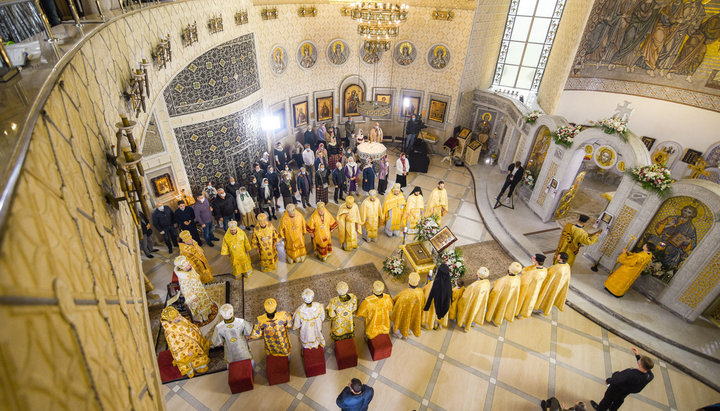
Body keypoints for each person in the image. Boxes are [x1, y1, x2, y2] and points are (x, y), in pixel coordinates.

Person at [161, 306, 210, 379]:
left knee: (199, 353)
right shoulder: (170, 333)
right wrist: (187, 352)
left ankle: (200, 366)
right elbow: (177, 346)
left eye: (178, 314)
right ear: (172, 321)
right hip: (188, 349)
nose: (180, 315)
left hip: (194, 342)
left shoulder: (179, 319)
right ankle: (195, 369)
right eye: (177, 316)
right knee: (192, 359)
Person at [173, 256, 215, 323]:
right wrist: (193, 297)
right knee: (199, 307)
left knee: (204, 302)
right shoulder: (183, 278)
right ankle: (203, 318)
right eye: (188, 265)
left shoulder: (189, 268)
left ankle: (207, 313)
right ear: (183, 268)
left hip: (199, 289)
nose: (190, 265)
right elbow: (185, 290)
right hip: (195, 295)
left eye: (189, 264)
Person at [486, 262, 523, 326]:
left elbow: (496, 290)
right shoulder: (518, 279)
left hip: (500, 297)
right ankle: (500, 318)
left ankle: (494, 318)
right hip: (509, 298)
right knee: (504, 307)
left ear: (509, 271)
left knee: (497, 305)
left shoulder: (504, 280)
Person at [456, 267, 492, 331]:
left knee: (469, 312)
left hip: (472, 303)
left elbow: (465, 297)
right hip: (479, 303)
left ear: (478, 274)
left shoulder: (474, 286)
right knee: (475, 312)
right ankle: (472, 322)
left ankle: (465, 324)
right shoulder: (487, 283)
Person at [536, 252, 572, 316]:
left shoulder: (557, 267)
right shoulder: (567, 266)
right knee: (552, 297)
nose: (557, 256)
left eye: (558, 256)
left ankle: (539, 308)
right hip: (559, 286)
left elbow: (548, 273)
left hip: (551, 286)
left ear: (560, 259)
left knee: (545, 296)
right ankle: (546, 308)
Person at [390, 272, 424, 339]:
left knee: (400, 321)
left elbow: (397, 303)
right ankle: (408, 331)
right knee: (411, 321)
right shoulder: (420, 292)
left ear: (408, 282)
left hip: (404, 314)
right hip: (414, 313)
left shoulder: (404, 293)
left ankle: (398, 333)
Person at [516, 254, 548, 318]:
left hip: (528, 289)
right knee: (529, 302)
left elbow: (524, 279)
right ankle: (525, 312)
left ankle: (519, 313)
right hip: (536, 290)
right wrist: (534, 262)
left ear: (536, 261)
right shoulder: (545, 270)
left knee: (523, 300)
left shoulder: (533, 272)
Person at [422, 264, 452, 329]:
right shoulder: (449, 283)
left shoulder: (435, 283)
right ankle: (439, 323)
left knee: (434, 313)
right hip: (444, 304)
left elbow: (430, 295)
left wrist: (426, 307)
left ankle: (433, 323)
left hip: (435, 304)